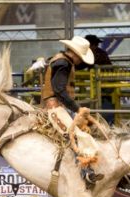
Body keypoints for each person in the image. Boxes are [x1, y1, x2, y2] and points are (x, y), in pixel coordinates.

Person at [41, 36, 104, 185]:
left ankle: (89, 170)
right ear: (75, 54)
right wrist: (77, 108)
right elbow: (59, 90)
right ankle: (86, 173)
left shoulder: (61, 60)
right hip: (55, 107)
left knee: (85, 131)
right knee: (77, 136)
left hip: (59, 106)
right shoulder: (63, 63)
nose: (81, 61)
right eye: (81, 57)